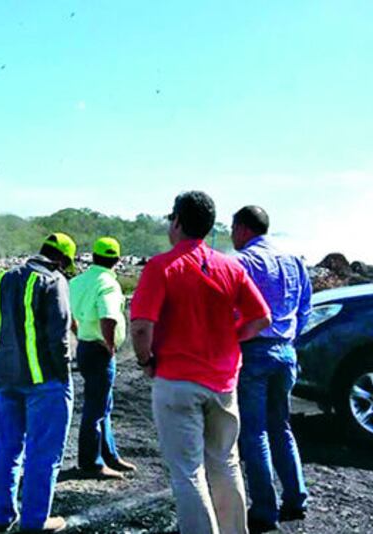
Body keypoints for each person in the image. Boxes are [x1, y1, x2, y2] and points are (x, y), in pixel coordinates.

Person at [129, 192, 271, 534]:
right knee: (226, 463)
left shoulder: (161, 266)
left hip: (177, 380)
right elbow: (261, 318)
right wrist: (230, 340)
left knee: (188, 471)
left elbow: (140, 326)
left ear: (177, 221)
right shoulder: (229, 266)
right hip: (223, 383)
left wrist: (146, 360)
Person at [0, 233, 77, 533]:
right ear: (61, 260)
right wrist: (64, 374)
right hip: (44, 383)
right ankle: (35, 522)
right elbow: (58, 337)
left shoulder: (3, 279)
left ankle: (3, 516)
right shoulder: (54, 281)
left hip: (6, 381)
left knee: (7, 449)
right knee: (43, 454)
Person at [231, 205, 311, 533]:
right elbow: (305, 308)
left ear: (244, 228)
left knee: (254, 432)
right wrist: (290, 340)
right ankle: (296, 497)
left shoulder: (243, 262)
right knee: (282, 427)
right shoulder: (294, 261)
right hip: (286, 351)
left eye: (234, 228)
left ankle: (265, 509)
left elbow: (234, 311)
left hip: (254, 351)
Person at [69, 237, 137, 479]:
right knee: (96, 409)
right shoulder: (108, 284)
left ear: (93, 256)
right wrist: (109, 345)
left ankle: (109, 455)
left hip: (86, 346)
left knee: (102, 405)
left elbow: (69, 315)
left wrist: (81, 335)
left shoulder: (77, 282)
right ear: (117, 260)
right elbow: (108, 317)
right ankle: (92, 463)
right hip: (99, 351)